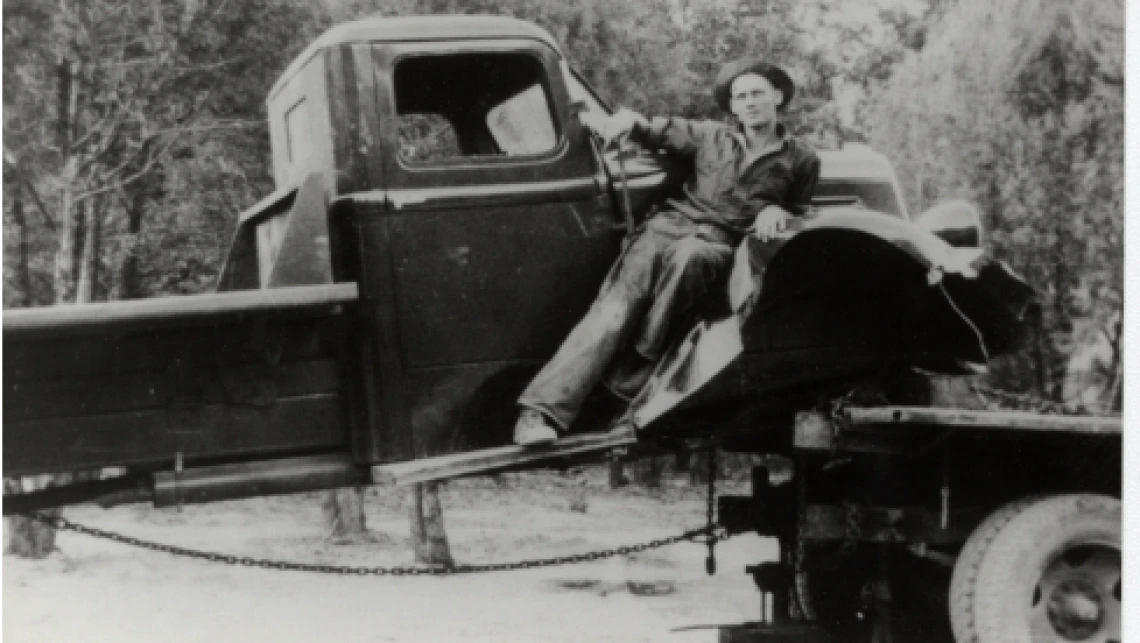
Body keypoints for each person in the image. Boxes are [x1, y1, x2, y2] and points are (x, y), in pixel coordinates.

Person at [514, 59, 821, 446]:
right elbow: (659, 131)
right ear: (732, 107)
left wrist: (780, 209)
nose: (749, 103)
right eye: (740, 96)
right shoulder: (710, 136)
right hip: (664, 232)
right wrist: (628, 122)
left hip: (716, 244)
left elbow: (800, 210)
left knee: (691, 260)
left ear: (777, 96)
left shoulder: (803, 159)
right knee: (613, 311)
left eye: (757, 93)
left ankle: (626, 390)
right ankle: (538, 414)